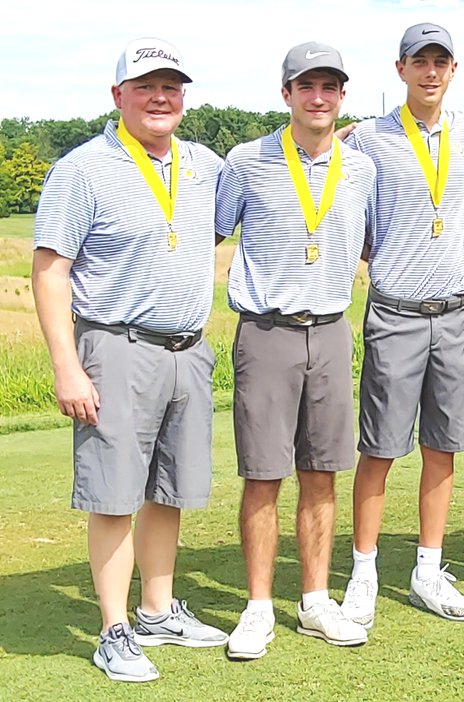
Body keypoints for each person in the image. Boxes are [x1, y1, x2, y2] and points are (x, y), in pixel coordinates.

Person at [32, 37, 227, 683]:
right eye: (146, 86)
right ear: (118, 96)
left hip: (185, 349)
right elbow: (51, 271)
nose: (160, 97)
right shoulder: (83, 168)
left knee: (169, 490)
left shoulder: (202, 163)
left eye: (171, 85)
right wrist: (67, 366)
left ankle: (156, 609)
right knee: (115, 496)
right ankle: (113, 629)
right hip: (115, 348)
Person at [217, 42, 375, 659]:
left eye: (330, 87)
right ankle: (258, 608)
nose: (318, 97)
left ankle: (314, 600)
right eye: (306, 86)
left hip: (333, 331)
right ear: (286, 94)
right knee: (263, 475)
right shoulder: (247, 160)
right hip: (266, 332)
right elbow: (211, 228)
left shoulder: (360, 167)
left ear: (342, 96)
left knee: (322, 472)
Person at [339, 22, 464, 626]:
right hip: (395, 314)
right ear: (400, 69)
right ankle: (363, 573)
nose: (430, 72)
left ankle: (428, 568)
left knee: (442, 448)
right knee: (380, 449)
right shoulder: (369, 139)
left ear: (453, 70)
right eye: (419, 61)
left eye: (440, 62)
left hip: (455, 312)